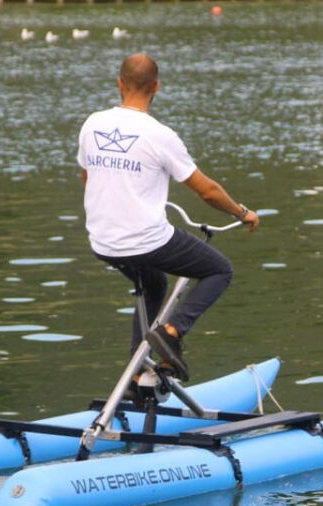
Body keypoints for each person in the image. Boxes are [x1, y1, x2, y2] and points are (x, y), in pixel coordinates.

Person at [77, 53, 259, 382]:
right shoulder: (160, 135)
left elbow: (87, 177)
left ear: (119, 84)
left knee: (154, 283)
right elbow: (208, 192)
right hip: (145, 241)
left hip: (102, 240)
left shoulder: (92, 123)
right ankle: (171, 333)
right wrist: (242, 212)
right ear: (157, 87)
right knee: (219, 270)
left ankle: (136, 375)